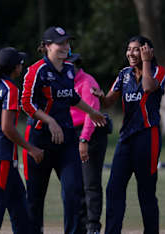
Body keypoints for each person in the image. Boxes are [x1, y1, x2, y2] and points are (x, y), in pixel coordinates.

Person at [21, 26, 106, 234]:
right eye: (60, 43)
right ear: (47, 46)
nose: (65, 47)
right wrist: (49, 121)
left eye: (67, 43)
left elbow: (72, 97)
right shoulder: (36, 70)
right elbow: (26, 103)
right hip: (40, 139)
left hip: (66, 140)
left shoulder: (69, 69)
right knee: (35, 196)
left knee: (73, 191)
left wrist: (91, 112)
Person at [92, 35, 165, 234]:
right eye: (129, 49)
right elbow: (109, 102)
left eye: (136, 49)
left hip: (148, 137)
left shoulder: (158, 72)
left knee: (146, 192)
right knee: (114, 189)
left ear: (147, 51)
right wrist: (100, 97)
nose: (131, 53)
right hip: (125, 139)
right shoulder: (124, 74)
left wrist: (146, 62)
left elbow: (148, 87)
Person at [0, 47, 44, 234]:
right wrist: (31, 149)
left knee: (19, 203)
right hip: (2, 156)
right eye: (20, 62)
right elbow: (7, 127)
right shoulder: (11, 89)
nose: (22, 65)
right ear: (15, 67)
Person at [68, 53, 110, 234]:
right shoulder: (63, 81)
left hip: (91, 134)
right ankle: (80, 223)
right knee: (74, 183)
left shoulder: (87, 82)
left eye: (74, 65)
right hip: (71, 134)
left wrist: (84, 140)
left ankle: (92, 225)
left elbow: (91, 114)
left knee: (90, 182)